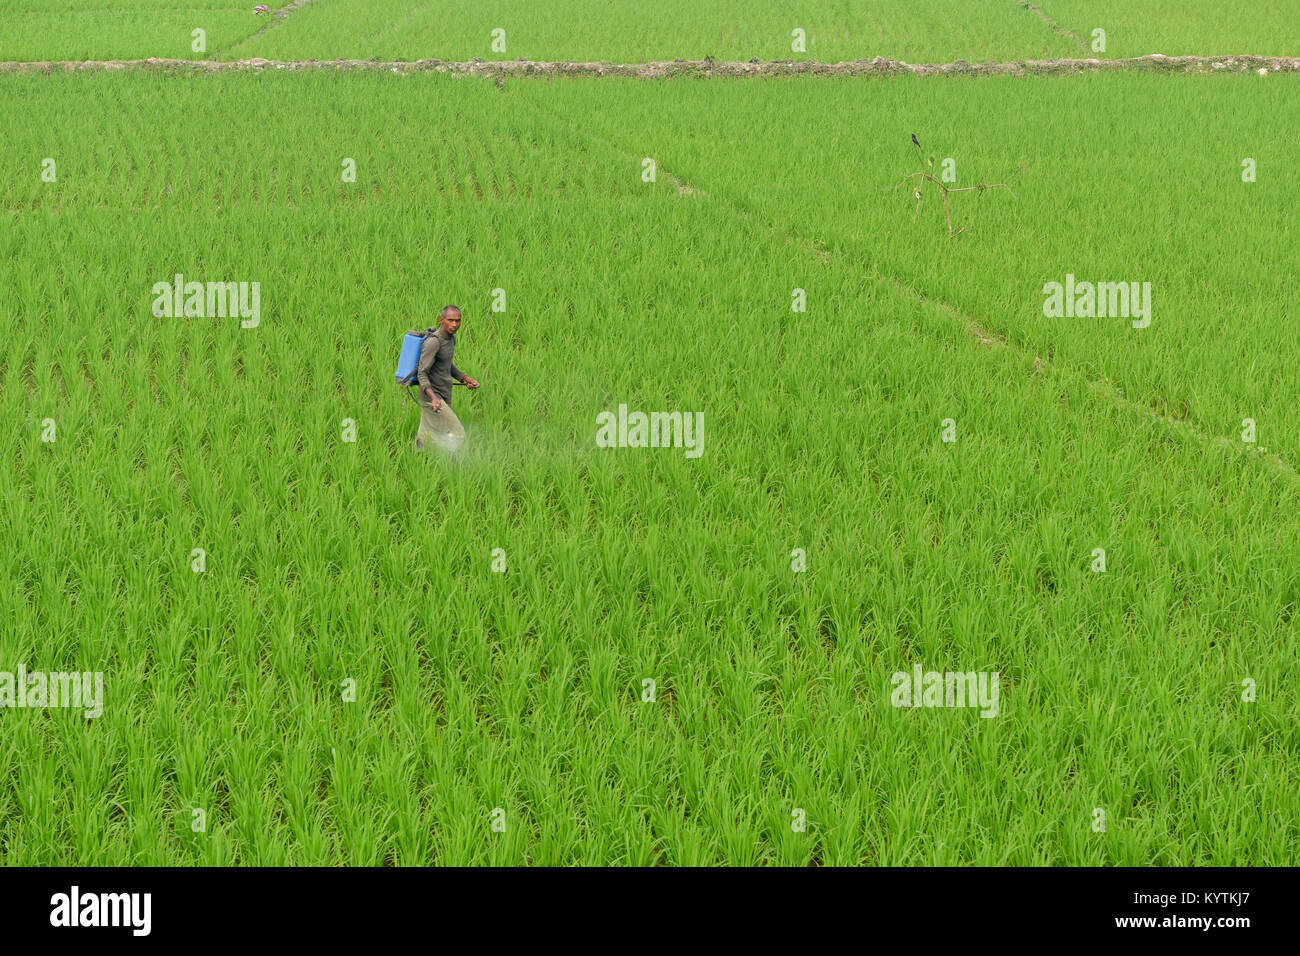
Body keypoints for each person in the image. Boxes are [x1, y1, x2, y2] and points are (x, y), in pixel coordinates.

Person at [415, 305, 479, 453]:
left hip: (444, 393)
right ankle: (450, 463)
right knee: (456, 433)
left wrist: (465, 379)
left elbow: (447, 365)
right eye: (450, 320)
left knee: (424, 434)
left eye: (458, 320)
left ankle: (417, 457)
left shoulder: (451, 339)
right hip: (432, 396)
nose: (455, 324)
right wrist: (434, 398)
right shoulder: (433, 343)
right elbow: (422, 373)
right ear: (441, 320)